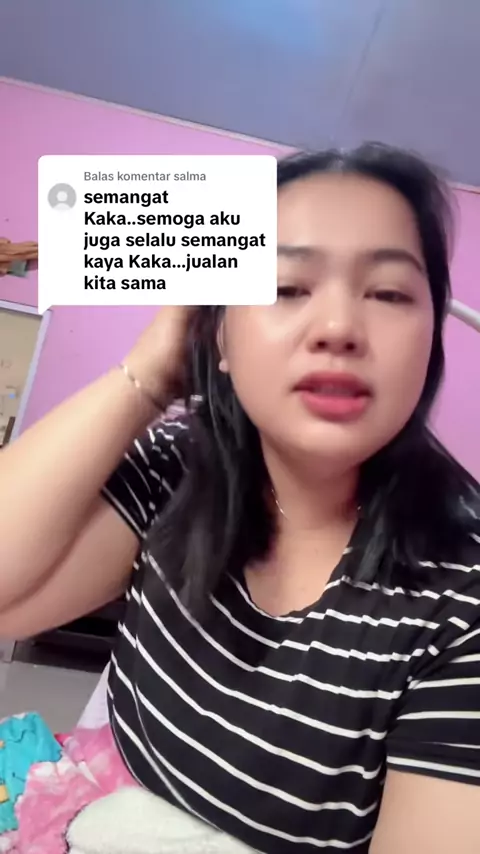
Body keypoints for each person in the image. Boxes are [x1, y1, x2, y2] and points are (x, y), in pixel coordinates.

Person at [1, 143, 480, 853]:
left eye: (388, 294)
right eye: (285, 286)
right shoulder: (179, 465)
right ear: (217, 331)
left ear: (430, 345)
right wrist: (153, 369)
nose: (338, 329)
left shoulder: (463, 596)